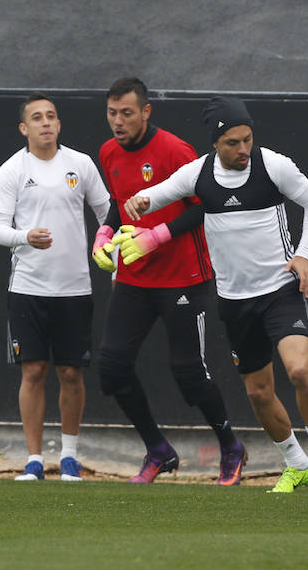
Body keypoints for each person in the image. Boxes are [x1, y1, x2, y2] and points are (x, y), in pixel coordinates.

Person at [122, 95, 308, 494]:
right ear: (216, 144)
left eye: (247, 140)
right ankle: (295, 463)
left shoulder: (273, 165)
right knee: (259, 393)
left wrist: (304, 256)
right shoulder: (198, 174)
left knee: (299, 370)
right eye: (233, 143)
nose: (243, 150)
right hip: (235, 301)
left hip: (280, 290)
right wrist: (139, 201)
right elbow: (159, 193)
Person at [93, 77, 246, 485]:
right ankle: (158, 449)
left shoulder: (175, 151)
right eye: (112, 113)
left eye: (127, 112)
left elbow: (204, 207)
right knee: (111, 368)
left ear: (146, 111)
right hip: (133, 279)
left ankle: (230, 445)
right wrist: (105, 234)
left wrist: (156, 235)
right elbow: (118, 204)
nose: (118, 121)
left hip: (182, 278)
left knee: (189, 373)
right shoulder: (109, 152)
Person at [0, 92, 110, 481]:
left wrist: (107, 245)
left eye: (51, 117)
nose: (45, 123)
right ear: (24, 128)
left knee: (72, 373)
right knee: (33, 371)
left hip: (75, 288)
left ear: (59, 125)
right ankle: (34, 459)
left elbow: (107, 213)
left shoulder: (80, 164)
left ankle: (70, 457)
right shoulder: (12, 170)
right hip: (28, 287)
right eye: (37, 118)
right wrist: (26, 236)